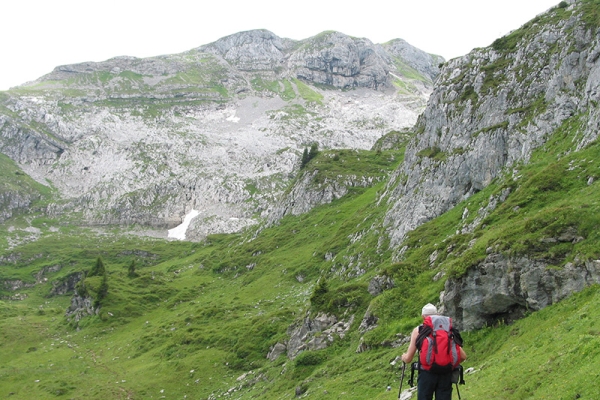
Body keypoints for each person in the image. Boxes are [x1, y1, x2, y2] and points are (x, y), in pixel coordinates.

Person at [401, 303, 467, 400]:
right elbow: (463, 356)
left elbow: (408, 359)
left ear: (423, 316)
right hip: (446, 374)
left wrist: (404, 357)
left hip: (426, 374)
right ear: (437, 315)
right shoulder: (447, 331)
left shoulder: (419, 330)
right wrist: (448, 363)